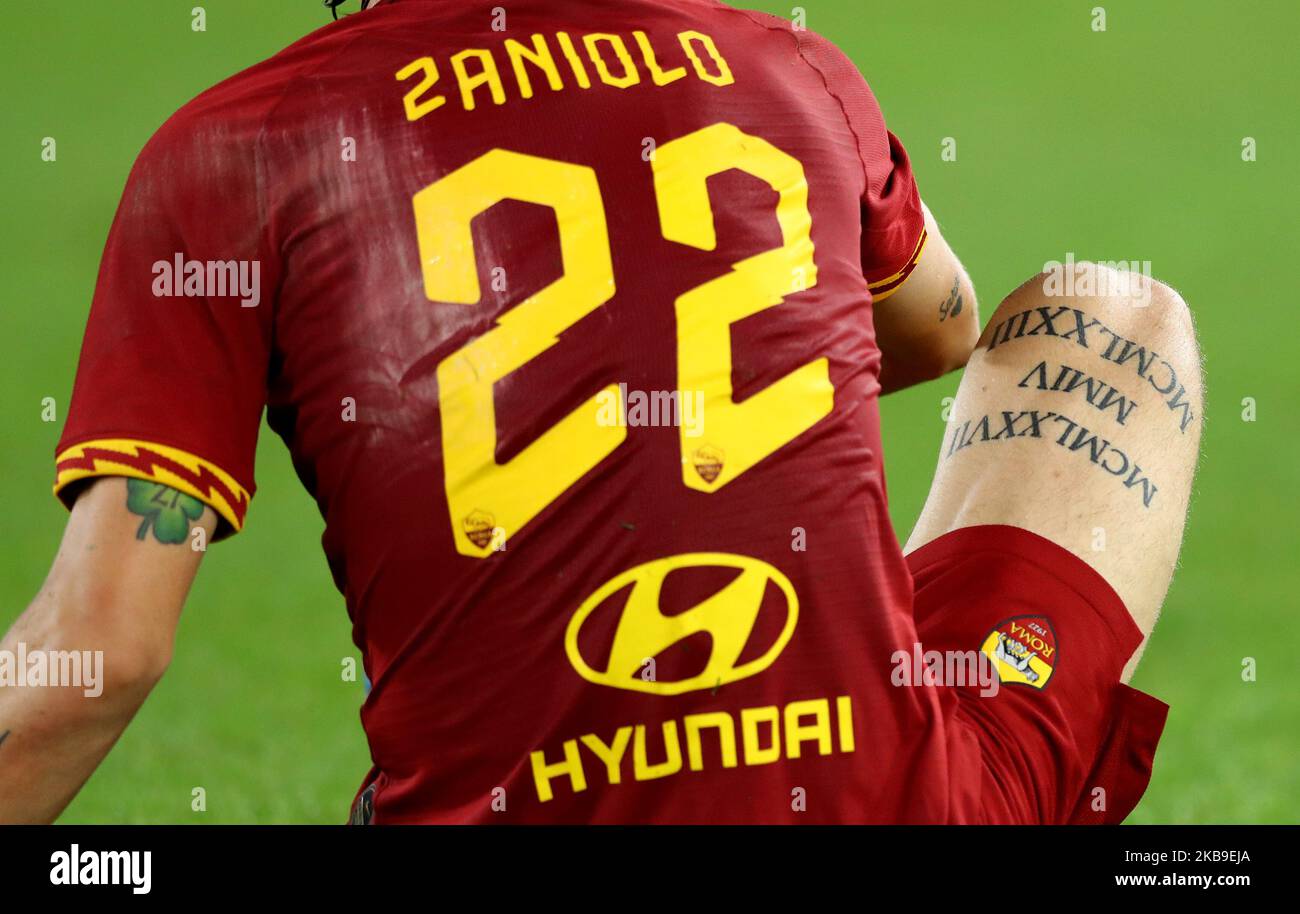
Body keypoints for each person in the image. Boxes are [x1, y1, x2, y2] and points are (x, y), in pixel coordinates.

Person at [0, 0, 1196, 824]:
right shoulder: (786, 68)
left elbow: (98, 656)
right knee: (1112, 310)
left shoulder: (229, 151)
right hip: (890, 805)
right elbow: (939, 328)